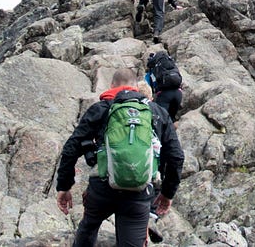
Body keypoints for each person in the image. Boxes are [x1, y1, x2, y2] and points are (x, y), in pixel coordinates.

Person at [56, 67, 185, 247]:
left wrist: (64, 186)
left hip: (102, 189)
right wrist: (167, 193)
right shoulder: (156, 112)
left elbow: (71, 148)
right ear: (137, 87)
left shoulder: (101, 108)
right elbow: (176, 157)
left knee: (89, 226)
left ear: (111, 85)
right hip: (139, 191)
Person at [145, 50, 183, 122]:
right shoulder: (171, 65)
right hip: (178, 93)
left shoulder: (153, 70)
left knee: (161, 120)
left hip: (164, 95)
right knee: (172, 118)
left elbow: (147, 85)